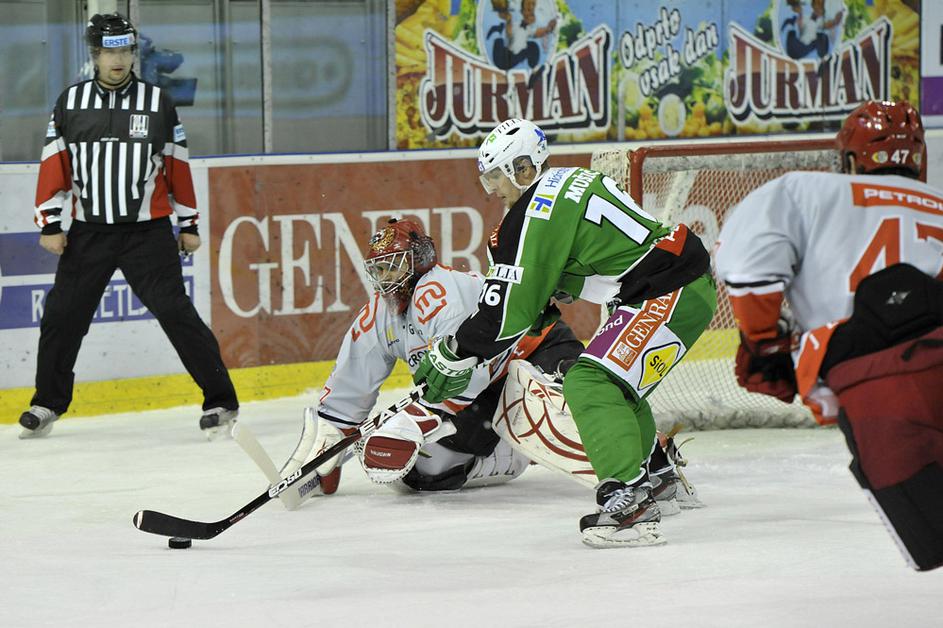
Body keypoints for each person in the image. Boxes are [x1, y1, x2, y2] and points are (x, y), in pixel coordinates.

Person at [414, 118, 717, 548]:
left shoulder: (535, 210)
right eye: (487, 179)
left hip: (667, 287)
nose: (493, 189)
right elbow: (537, 299)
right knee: (616, 384)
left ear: (523, 168)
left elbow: (507, 316)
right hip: (670, 283)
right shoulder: (564, 186)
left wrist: (453, 351)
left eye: (498, 176)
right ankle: (659, 476)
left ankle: (630, 503)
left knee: (591, 380)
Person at [714, 100, 943, 571]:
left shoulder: (804, 190)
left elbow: (749, 267)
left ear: (848, 158)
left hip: (879, 387)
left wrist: (766, 345)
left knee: (933, 534)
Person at [20, 13, 239, 440]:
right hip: (88, 234)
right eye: (108, 51)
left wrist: (189, 223)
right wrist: (50, 222)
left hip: (148, 234)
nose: (117, 59)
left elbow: (177, 165)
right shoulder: (70, 103)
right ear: (95, 54)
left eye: (124, 50)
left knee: (176, 312)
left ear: (132, 52)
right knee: (63, 317)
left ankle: (220, 400)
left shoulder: (158, 103)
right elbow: (54, 165)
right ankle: (47, 402)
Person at [278, 217, 585, 498]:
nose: (385, 278)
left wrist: (415, 419)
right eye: (379, 270)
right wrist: (331, 435)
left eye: (393, 266)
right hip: (483, 388)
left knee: (568, 413)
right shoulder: (378, 314)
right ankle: (513, 452)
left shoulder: (439, 291)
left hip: (538, 351)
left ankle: (615, 452)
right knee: (424, 470)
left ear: (419, 260)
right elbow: (351, 383)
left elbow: (468, 372)